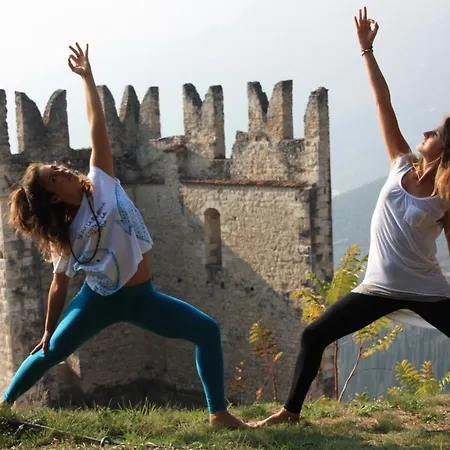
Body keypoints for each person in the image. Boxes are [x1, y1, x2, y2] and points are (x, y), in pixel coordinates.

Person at [0, 43, 247, 429]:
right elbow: (59, 283)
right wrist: (48, 329)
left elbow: (96, 125)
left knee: (206, 331)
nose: (61, 170)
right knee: (50, 352)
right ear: (53, 196)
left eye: (56, 167)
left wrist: (87, 77)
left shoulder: (101, 180)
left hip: (142, 297)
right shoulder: (68, 233)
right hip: (98, 301)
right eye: (53, 177)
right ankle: (3, 407)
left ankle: (218, 414)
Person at [252, 7, 450, 427]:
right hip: (378, 288)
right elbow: (383, 101)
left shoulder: (444, 197)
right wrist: (367, 50)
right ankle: (290, 413)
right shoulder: (401, 162)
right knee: (314, 335)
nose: (426, 133)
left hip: (428, 291)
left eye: (435, 133)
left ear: (446, 151)